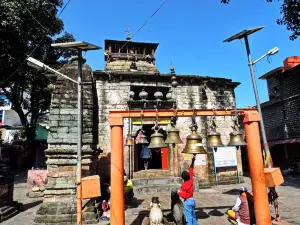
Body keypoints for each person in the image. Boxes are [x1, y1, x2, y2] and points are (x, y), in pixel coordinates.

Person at [177, 155, 197, 225]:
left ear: (183, 178)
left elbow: (184, 196)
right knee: (193, 216)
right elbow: (191, 169)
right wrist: (193, 160)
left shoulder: (184, 185)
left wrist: (179, 192)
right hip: (192, 201)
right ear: (188, 176)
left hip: (187, 202)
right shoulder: (191, 180)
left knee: (188, 218)